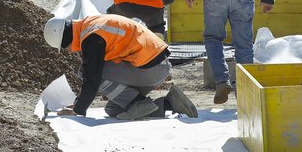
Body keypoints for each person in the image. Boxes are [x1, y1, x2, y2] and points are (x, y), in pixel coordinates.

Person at [43, 14, 197, 120]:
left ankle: (138, 102)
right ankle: (170, 103)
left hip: (150, 68)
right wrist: (79, 101)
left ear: (65, 38)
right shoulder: (89, 25)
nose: (69, 51)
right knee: (114, 110)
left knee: (86, 71)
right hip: (150, 67)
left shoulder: (91, 37)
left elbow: (93, 77)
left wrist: (78, 109)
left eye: (65, 47)